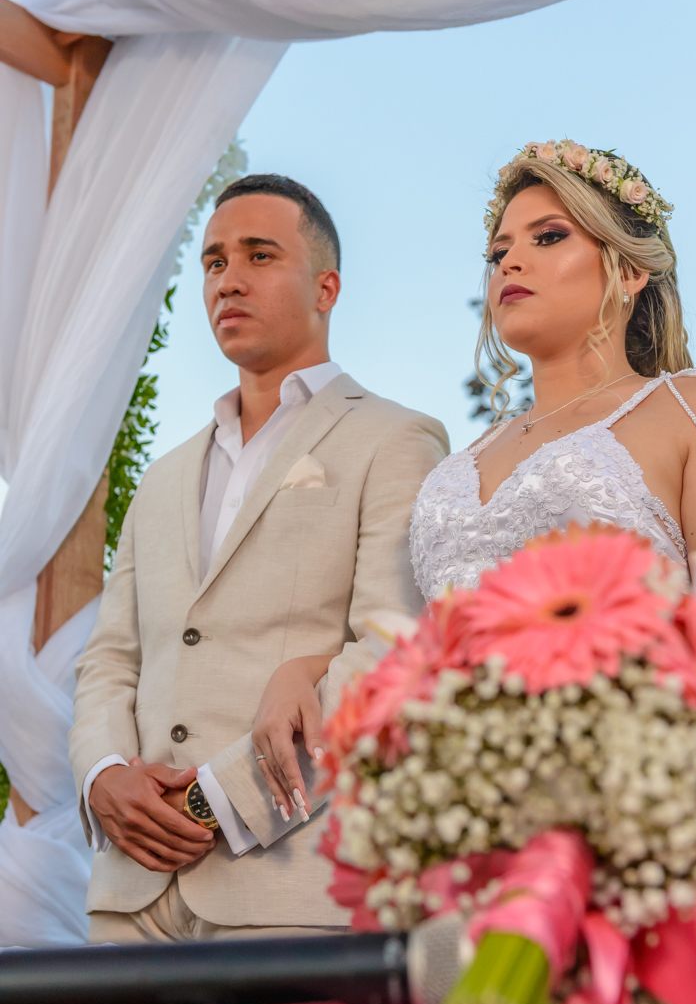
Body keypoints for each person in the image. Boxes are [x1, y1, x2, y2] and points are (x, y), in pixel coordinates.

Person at [70, 173, 448, 943]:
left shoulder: (397, 440)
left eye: (258, 255)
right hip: (130, 893)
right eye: (212, 262)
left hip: (289, 878)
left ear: (326, 286)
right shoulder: (166, 473)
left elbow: (389, 651)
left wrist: (221, 797)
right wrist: (103, 777)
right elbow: (111, 658)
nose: (228, 279)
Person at [411, 139, 696, 617]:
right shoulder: (467, 457)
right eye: (497, 252)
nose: (509, 262)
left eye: (549, 236)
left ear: (631, 269)